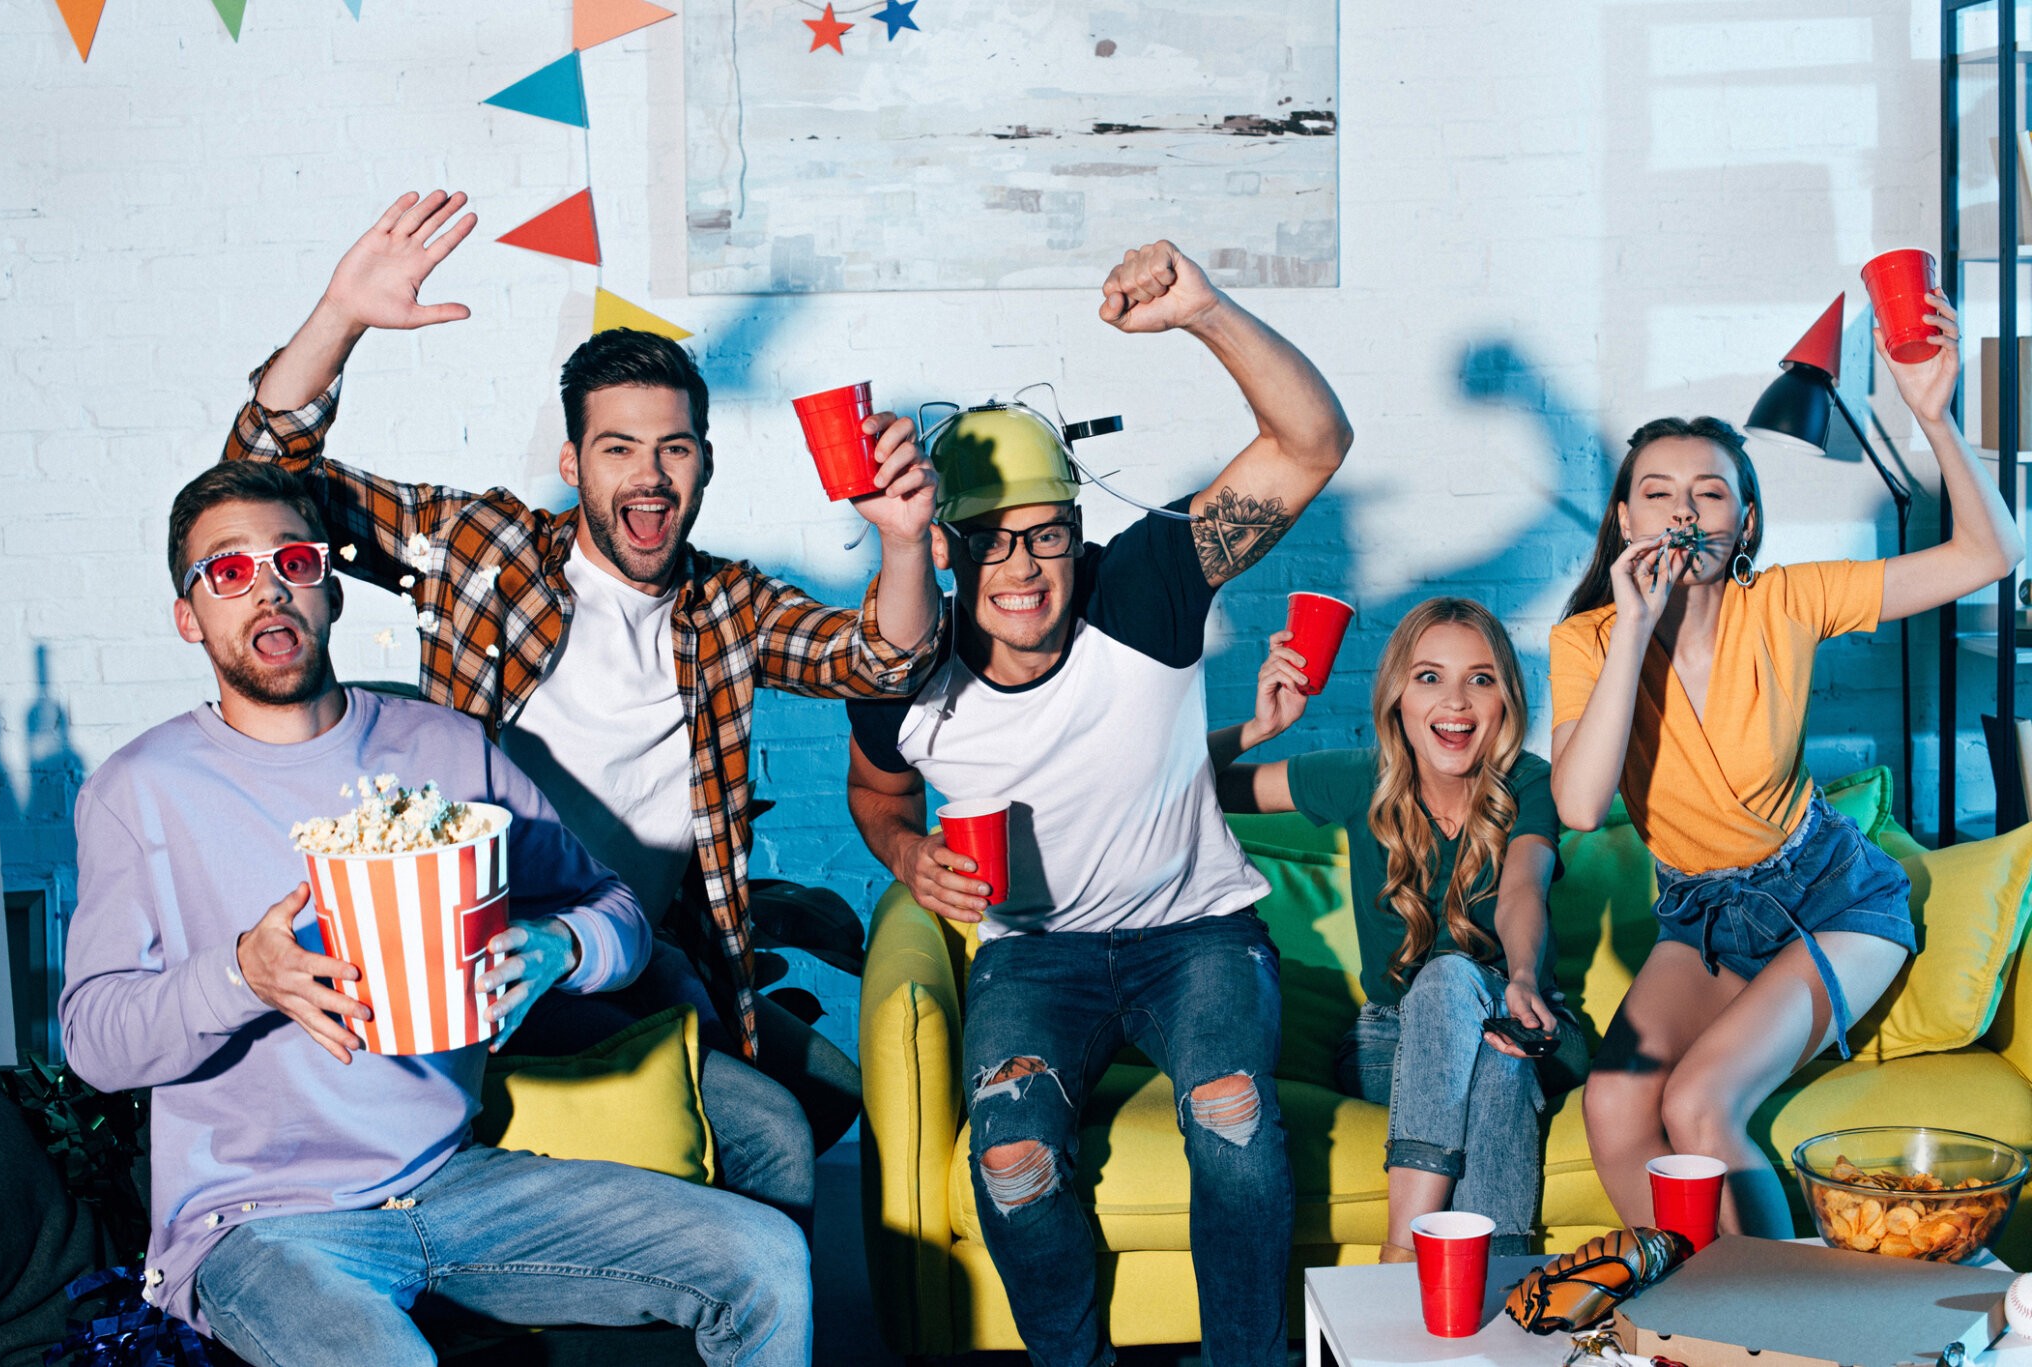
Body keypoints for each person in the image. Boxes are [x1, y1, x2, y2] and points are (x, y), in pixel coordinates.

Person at [223, 190, 944, 1229]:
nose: (649, 477)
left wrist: (906, 538)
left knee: (830, 1089)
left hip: (640, 949)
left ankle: (656, 1249)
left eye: (675, 449)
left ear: (702, 460)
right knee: (767, 1132)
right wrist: (339, 316)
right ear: (573, 463)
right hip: (490, 957)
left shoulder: (726, 603)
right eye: (618, 448)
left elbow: (881, 662)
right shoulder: (484, 550)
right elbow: (259, 475)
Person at [58, 462, 809, 1367]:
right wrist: (240, 976)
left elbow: (613, 907)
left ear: (330, 588)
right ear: (189, 616)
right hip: (258, 1226)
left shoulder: (448, 751)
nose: (269, 589)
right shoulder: (137, 790)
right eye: (228, 571)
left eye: (294, 559)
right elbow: (94, 1044)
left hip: (450, 1181)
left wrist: (559, 948)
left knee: (766, 1259)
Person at [845, 240, 1352, 1367]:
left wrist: (1205, 312)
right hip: (1032, 956)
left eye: (1046, 532)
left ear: (1076, 530)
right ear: (940, 544)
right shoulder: (900, 663)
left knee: (1229, 1111)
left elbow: (1311, 443)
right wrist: (904, 854)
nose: (1023, 567)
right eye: (990, 539)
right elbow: (875, 790)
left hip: (1197, 935)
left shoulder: (1140, 586)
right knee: (1010, 1159)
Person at [1548, 293, 2023, 1238]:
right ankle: (1688, 1310)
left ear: (1745, 523)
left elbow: (1990, 552)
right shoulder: (1591, 638)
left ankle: (1778, 1327)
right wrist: (1633, 626)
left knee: (1700, 1102)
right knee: (1614, 1101)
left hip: (1831, 900)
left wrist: (1933, 414)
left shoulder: (1790, 603)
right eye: (1658, 490)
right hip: (1702, 914)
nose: (1684, 509)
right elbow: (1576, 802)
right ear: (1624, 516)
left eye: (1711, 491)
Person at [1212, 598, 1586, 1261]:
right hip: (1398, 1038)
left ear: (1506, 698)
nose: (1457, 701)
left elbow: (1523, 885)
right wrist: (1259, 726)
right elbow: (1190, 784)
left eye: (1481, 677)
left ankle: (1405, 1258)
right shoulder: (1361, 780)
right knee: (1485, 1050)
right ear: (1396, 699)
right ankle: (1496, 1290)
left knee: (1491, 1032)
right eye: (1429, 676)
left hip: (1528, 1018)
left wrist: (1523, 973)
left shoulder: (1530, 781)